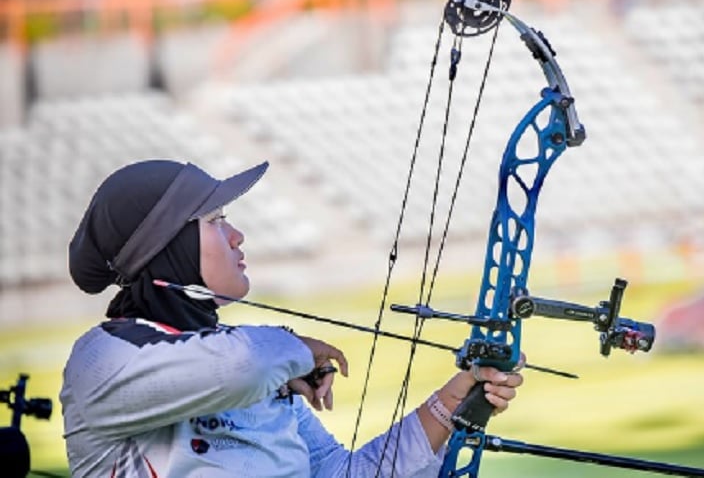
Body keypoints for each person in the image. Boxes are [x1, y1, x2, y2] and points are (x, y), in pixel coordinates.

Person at [61, 159, 525, 478]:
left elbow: (343, 474)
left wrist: (452, 402)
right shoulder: (101, 359)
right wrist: (296, 347)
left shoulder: (257, 363)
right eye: (215, 220)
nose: (237, 236)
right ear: (166, 247)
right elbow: (244, 366)